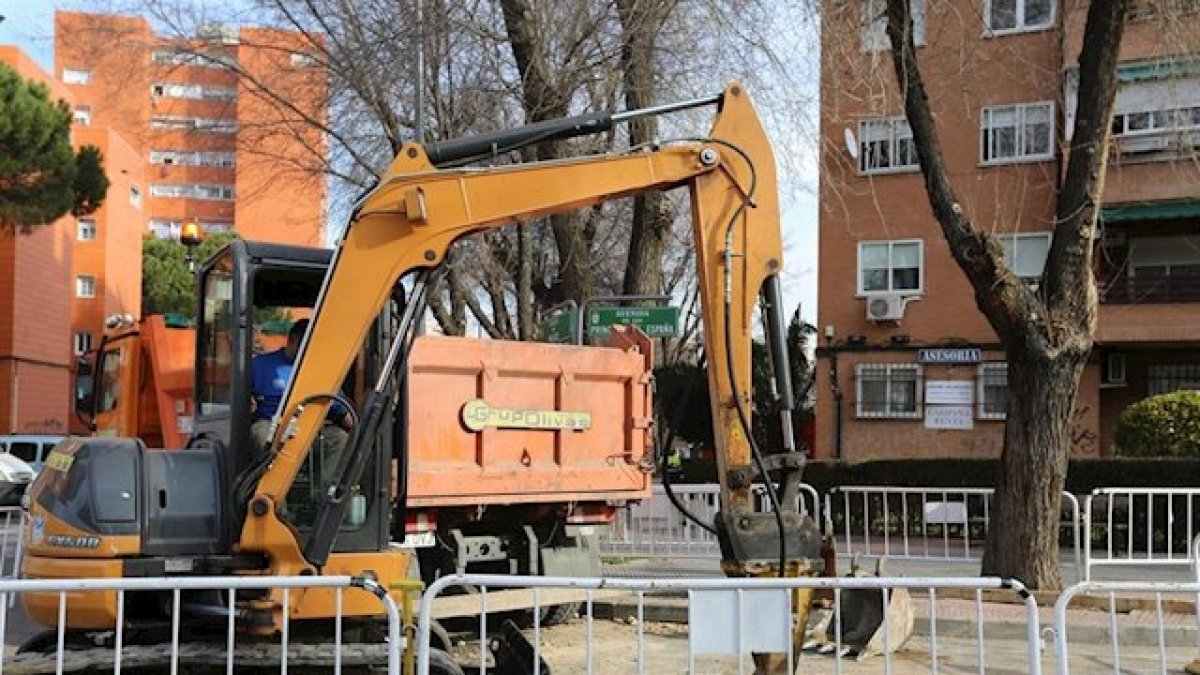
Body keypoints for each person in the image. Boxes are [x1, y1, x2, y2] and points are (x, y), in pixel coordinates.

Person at [250, 319, 353, 486]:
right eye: (304, 344)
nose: (308, 351)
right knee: (261, 433)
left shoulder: (321, 370)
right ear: (291, 341)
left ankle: (326, 497)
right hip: (273, 426)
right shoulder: (260, 366)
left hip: (312, 429)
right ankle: (272, 498)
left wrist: (358, 430)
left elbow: (339, 409)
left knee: (340, 438)